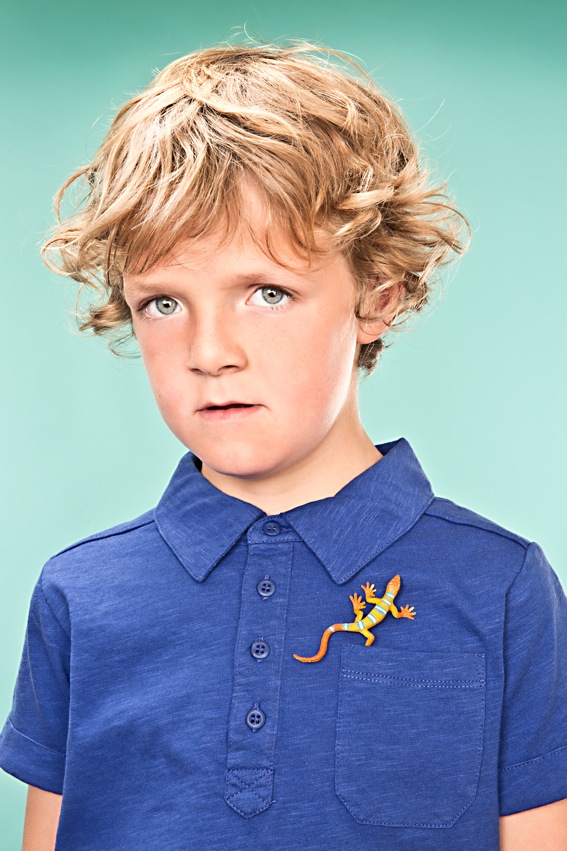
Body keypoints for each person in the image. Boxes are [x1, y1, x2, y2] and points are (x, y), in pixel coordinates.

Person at [1, 38, 566, 850]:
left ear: (376, 298)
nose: (209, 351)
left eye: (266, 292)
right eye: (163, 303)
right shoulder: (80, 592)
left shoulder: (501, 585)